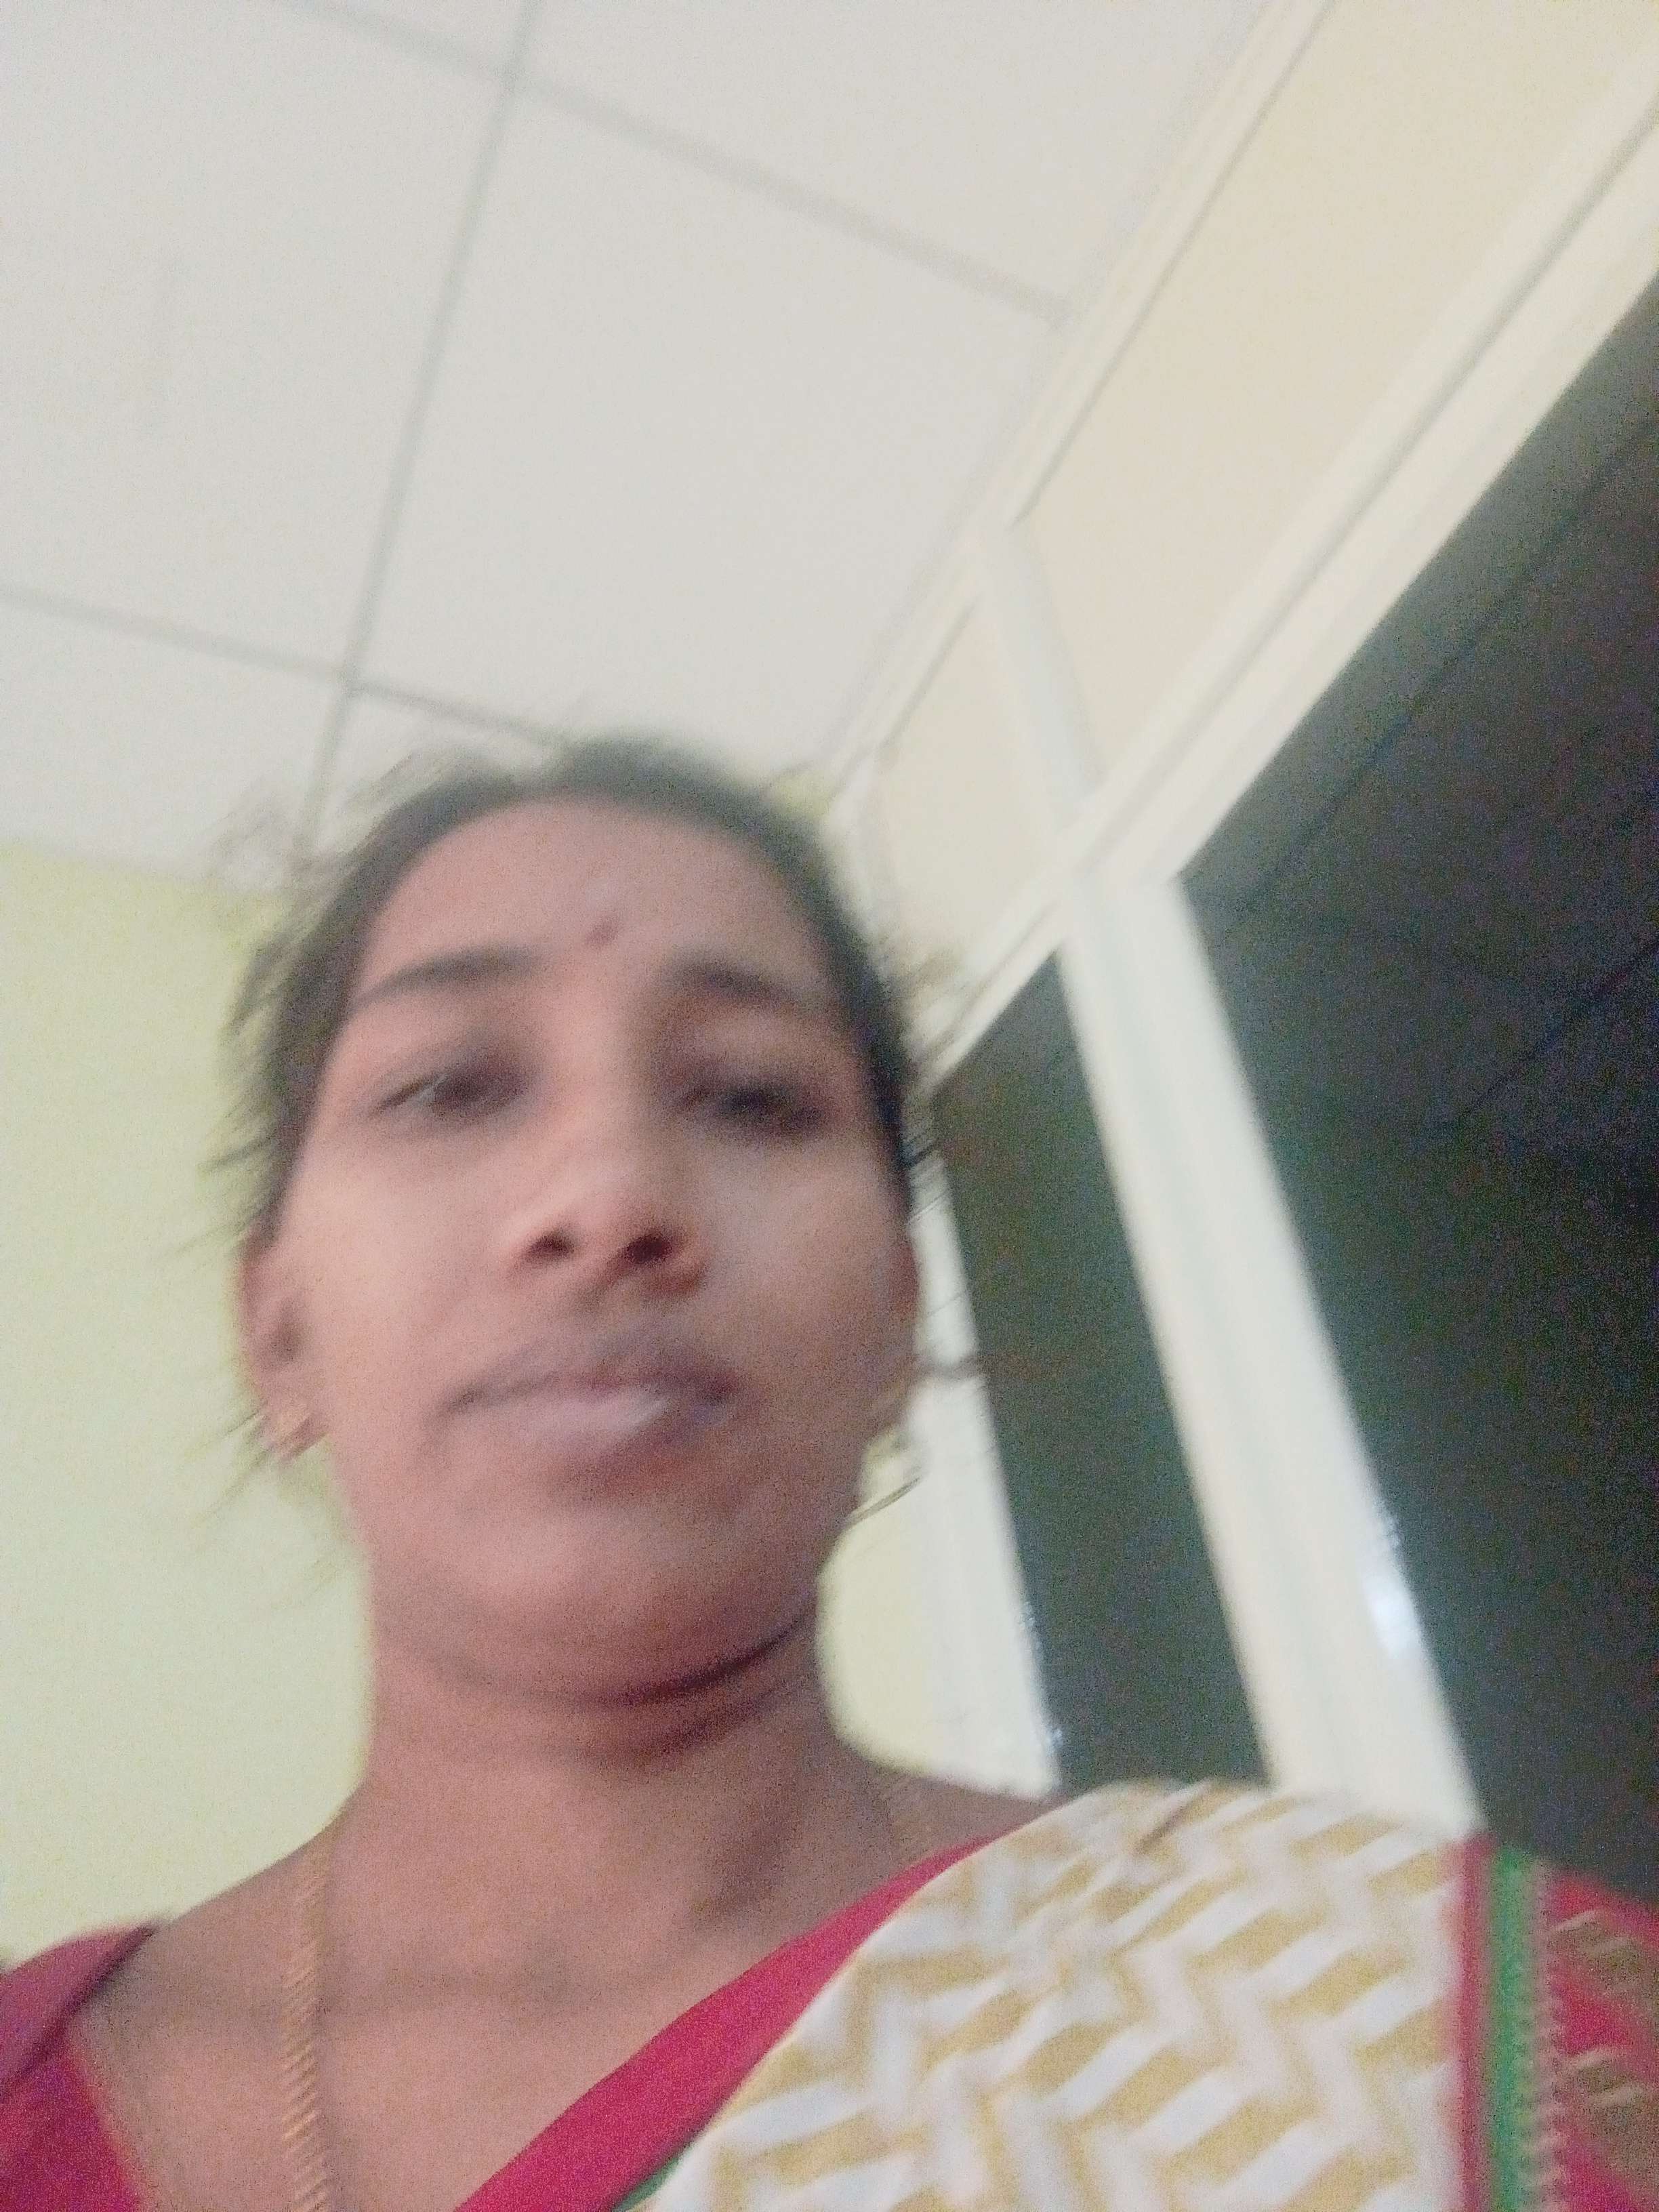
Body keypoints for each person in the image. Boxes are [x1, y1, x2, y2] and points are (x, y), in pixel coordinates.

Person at [1, 739, 1654, 2212]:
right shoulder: (31, 2089)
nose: (608, 1198)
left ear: (896, 1328)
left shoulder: (1380, 2018)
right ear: (280, 1330)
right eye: (450, 1087)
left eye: (750, 1096)